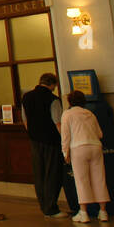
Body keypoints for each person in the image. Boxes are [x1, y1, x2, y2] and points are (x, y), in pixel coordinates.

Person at [20, 72, 79, 217]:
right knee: (52, 174)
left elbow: (25, 120)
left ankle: (44, 206)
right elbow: (58, 123)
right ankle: (51, 208)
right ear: (53, 84)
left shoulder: (26, 97)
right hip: (51, 141)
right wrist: (66, 142)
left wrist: (33, 134)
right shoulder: (53, 99)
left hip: (34, 141)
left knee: (39, 174)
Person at [61, 90, 110, 223]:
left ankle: (83, 213)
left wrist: (65, 152)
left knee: (81, 180)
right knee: (99, 178)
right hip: (95, 146)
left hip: (78, 148)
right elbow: (100, 134)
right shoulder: (90, 113)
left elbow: (65, 136)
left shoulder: (67, 114)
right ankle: (103, 211)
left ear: (69, 101)